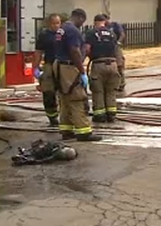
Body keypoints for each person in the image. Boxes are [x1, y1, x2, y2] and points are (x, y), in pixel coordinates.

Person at [54, 8, 101, 142]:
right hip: (69, 67)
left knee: (65, 99)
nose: (82, 24)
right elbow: (74, 51)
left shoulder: (62, 29)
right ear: (80, 18)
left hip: (59, 65)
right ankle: (83, 131)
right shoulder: (73, 31)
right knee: (77, 98)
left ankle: (66, 130)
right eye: (82, 21)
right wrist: (82, 71)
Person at [84, 14, 122, 123]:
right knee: (111, 91)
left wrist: (89, 57)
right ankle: (111, 114)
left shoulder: (91, 33)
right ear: (104, 22)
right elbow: (116, 49)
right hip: (113, 64)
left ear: (95, 22)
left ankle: (99, 115)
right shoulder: (112, 34)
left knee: (98, 91)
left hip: (98, 64)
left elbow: (87, 49)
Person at [33, 13, 62, 126]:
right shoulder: (44, 35)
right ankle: (52, 118)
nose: (56, 25)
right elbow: (38, 52)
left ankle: (66, 116)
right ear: (49, 24)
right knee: (48, 92)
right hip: (49, 65)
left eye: (58, 23)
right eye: (54, 23)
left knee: (66, 92)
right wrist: (35, 67)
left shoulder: (63, 34)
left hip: (63, 65)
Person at [103, 15, 126, 92]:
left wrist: (118, 42)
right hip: (107, 48)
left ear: (108, 19)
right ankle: (111, 84)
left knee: (119, 65)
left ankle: (121, 83)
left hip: (115, 46)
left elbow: (122, 34)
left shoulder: (115, 25)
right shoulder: (103, 28)